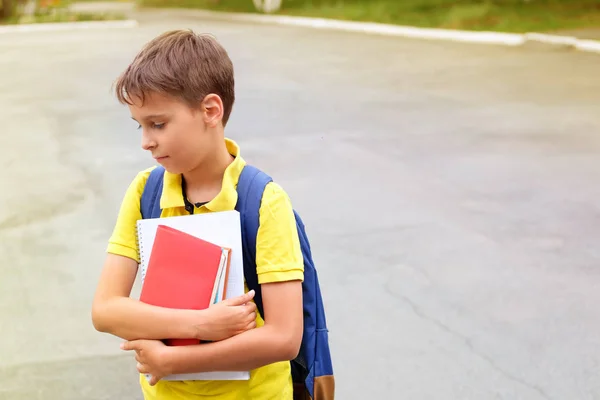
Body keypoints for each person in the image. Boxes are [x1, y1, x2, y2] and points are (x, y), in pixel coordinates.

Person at [91, 29, 305, 400]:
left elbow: (285, 338)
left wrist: (172, 362)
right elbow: (106, 310)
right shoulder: (146, 192)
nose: (146, 141)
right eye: (140, 125)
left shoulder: (262, 200)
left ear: (210, 110)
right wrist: (202, 323)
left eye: (158, 124)